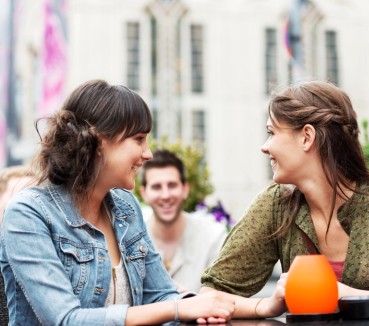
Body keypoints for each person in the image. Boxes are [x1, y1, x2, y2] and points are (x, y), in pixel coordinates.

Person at [0, 79, 235, 325]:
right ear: (98, 141)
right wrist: (178, 308)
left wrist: (208, 308)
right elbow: (66, 320)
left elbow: (162, 295)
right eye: (139, 139)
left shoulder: (125, 206)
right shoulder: (28, 213)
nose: (148, 153)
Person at [199, 80, 369, 318]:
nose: (265, 147)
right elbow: (210, 296)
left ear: (306, 137)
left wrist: (346, 296)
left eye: (272, 133)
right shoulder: (275, 205)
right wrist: (264, 305)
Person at [140, 149, 228, 293]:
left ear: (185, 189)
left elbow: (221, 297)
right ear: (144, 193)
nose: (166, 195)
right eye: (156, 187)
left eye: (172, 185)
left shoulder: (213, 236)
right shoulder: (130, 235)